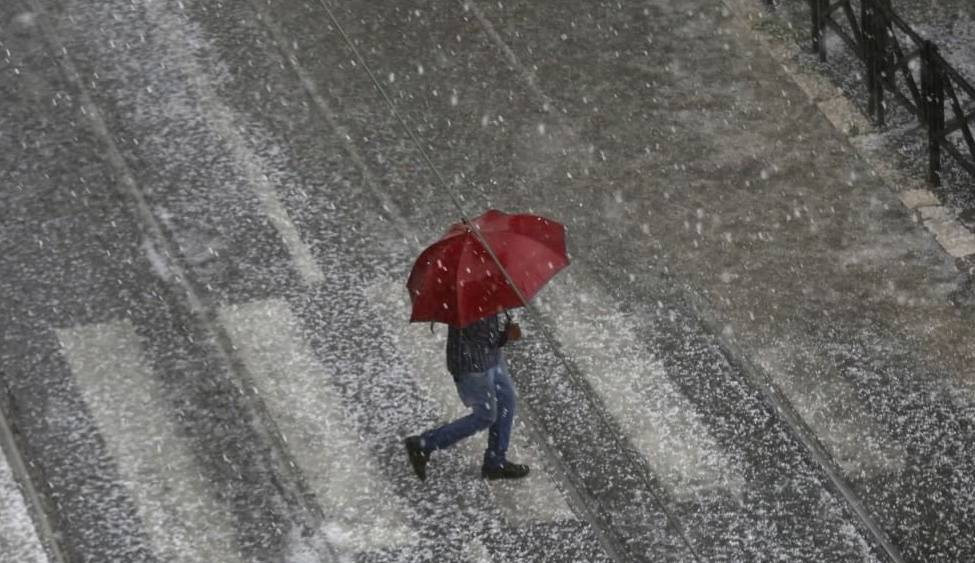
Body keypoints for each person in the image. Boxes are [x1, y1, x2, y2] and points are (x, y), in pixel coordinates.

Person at [404, 312, 530, 481]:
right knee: (485, 416)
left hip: (491, 358)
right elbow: (484, 339)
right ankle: (423, 444)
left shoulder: (480, 292)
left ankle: (495, 461)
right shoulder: (472, 300)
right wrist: (508, 335)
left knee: (506, 402)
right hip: (472, 366)